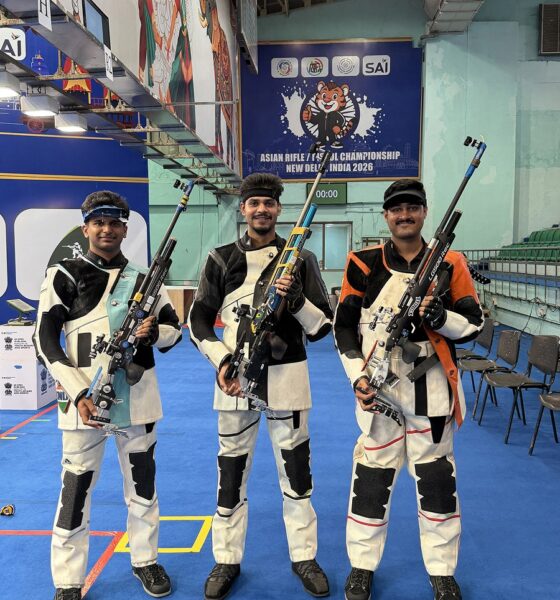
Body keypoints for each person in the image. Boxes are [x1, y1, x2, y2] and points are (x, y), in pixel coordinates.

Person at [333, 179, 484, 600]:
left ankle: (442, 571)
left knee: (437, 483)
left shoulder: (450, 262)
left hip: (431, 390)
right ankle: (362, 567)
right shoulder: (362, 262)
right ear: (386, 215)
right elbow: (343, 326)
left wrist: (440, 318)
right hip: (378, 390)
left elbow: (474, 324)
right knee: (371, 482)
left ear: (423, 212)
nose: (404, 215)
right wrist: (357, 376)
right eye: (397, 209)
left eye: (412, 207)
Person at [188, 173, 333, 600]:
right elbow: (198, 320)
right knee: (230, 475)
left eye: (268, 203)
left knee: (297, 475)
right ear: (243, 209)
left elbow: (323, 326)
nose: (261, 210)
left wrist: (296, 301)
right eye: (254, 203)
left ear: (278, 209)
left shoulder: (301, 258)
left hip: (288, 378)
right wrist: (223, 360)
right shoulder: (221, 259)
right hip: (234, 381)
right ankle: (226, 559)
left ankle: (304, 557)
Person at [34, 191, 182, 600]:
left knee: (143, 486)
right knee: (75, 491)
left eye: (115, 223)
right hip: (82, 402)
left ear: (125, 229)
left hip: (137, 399)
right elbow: (44, 339)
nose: (107, 230)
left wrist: (154, 332)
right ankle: (68, 580)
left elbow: (174, 332)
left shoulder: (145, 278)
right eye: (98, 222)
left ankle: (145, 560)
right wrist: (78, 390)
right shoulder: (64, 274)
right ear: (85, 228)